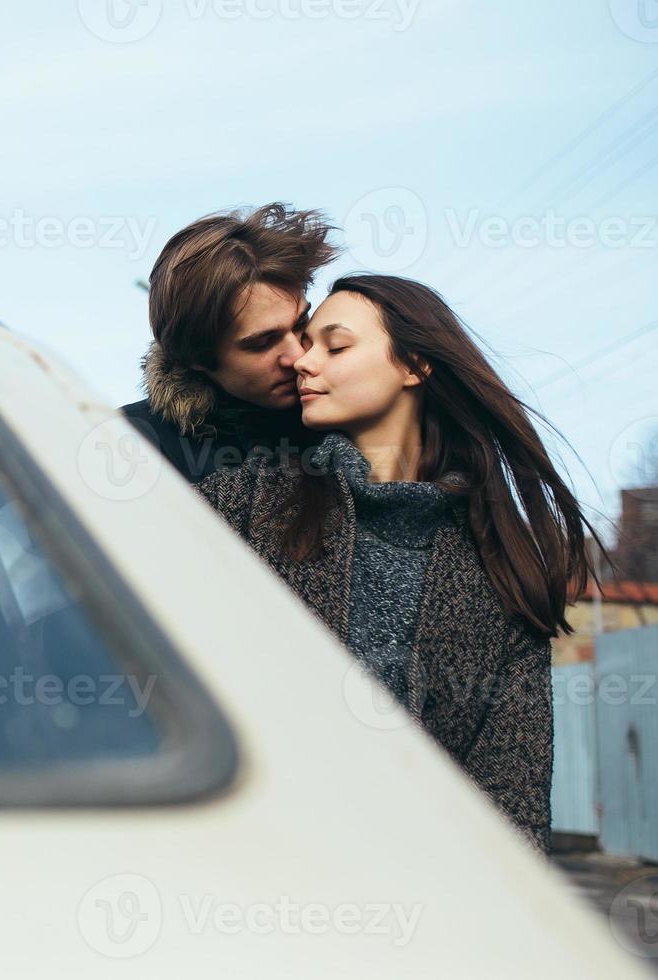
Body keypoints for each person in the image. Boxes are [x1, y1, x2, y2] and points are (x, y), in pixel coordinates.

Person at [197, 274, 606, 854]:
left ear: (414, 364)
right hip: (243, 881)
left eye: (334, 347)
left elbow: (512, 802)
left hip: (423, 910)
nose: (303, 364)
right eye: (306, 345)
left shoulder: (501, 568)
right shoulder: (248, 503)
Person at [122, 203, 339, 483]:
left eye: (300, 323)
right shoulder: (132, 447)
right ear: (195, 357)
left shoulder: (355, 420)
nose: (298, 356)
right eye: (263, 342)